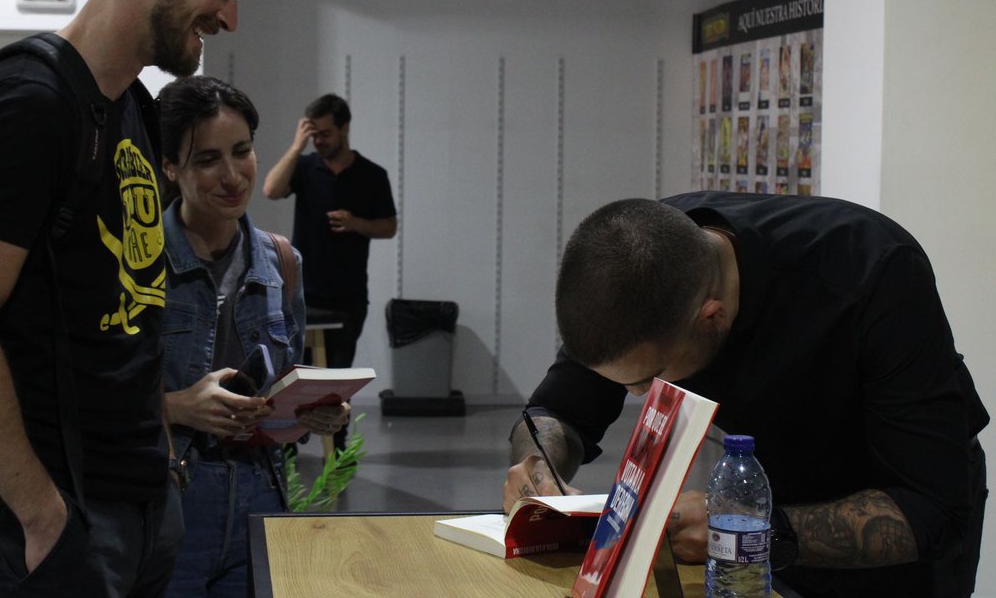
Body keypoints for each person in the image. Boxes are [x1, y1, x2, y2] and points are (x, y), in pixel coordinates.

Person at [0, 0, 263, 597]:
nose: (230, 17)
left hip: (133, 509)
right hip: (36, 525)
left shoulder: (130, 107)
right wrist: (43, 517)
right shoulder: (28, 103)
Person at [504, 192, 988, 598]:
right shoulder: (641, 268)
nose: (633, 395)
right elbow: (557, 412)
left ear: (710, 318)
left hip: (894, 517)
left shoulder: (871, 272)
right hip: (763, 504)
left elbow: (932, 509)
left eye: (647, 378)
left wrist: (753, 529)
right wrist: (538, 466)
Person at [157, 76, 349, 598]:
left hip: (260, 500)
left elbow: (281, 389)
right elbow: (94, 395)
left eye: (242, 152)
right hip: (168, 502)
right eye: (206, 160)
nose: (232, 176)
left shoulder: (282, 262)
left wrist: (313, 411)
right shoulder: (140, 262)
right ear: (171, 168)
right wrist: (176, 405)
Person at [261, 94, 397, 447]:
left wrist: (356, 223)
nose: (319, 140)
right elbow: (271, 189)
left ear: (345, 128)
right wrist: (296, 146)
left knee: (337, 384)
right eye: (314, 134)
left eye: (325, 133)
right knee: (294, 380)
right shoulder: (305, 168)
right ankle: (287, 450)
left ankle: (335, 453)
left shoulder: (371, 175)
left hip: (349, 296)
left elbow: (389, 226)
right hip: (301, 295)